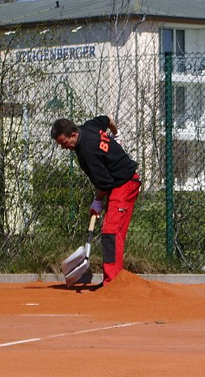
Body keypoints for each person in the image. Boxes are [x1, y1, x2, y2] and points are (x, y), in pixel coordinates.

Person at [50, 115, 140, 286]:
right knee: (115, 231)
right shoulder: (89, 126)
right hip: (121, 182)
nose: (63, 148)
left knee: (111, 231)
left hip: (124, 183)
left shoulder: (87, 151)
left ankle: (112, 281)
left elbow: (105, 183)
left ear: (74, 135)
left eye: (64, 143)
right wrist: (116, 134)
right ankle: (116, 279)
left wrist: (97, 202)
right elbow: (107, 119)